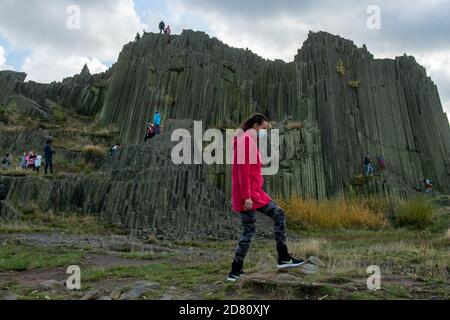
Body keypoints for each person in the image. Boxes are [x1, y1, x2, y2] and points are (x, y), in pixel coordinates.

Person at [228, 113, 305, 282]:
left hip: (254, 193)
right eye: (264, 128)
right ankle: (236, 271)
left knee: (275, 215)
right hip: (249, 195)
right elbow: (242, 171)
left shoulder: (247, 140)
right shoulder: (246, 141)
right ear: (255, 125)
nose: (265, 132)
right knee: (252, 229)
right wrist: (247, 197)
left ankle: (280, 259)